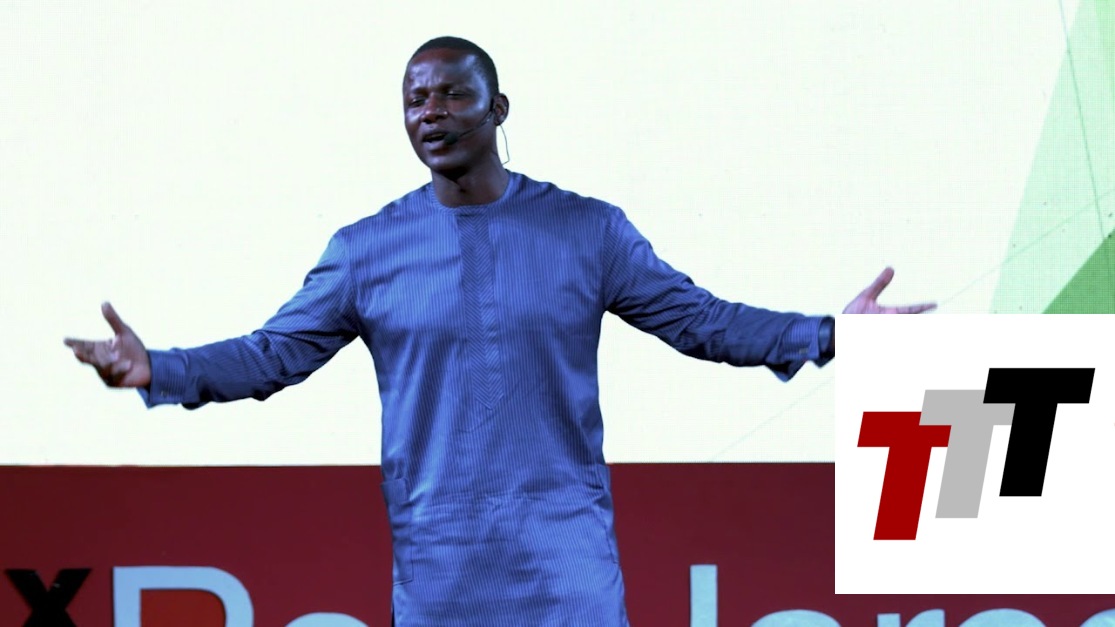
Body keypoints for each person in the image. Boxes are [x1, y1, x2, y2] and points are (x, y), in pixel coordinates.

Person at [64, 36, 935, 626]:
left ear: (498, 106)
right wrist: (157, 368)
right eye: (415, 99)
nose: (431, 112)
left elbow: (702, 321)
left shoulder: (587, 230)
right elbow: (272, 355)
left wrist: (832, 334)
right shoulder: (365, 250)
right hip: (440, 566)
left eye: (452, 93)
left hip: (566, 565)